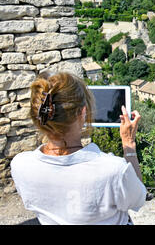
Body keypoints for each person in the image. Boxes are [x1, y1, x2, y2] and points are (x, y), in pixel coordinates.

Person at [10, 72, 147, 225]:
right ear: (82, 113)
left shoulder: (20, 165)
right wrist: (129, 144)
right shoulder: (114, 170)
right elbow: (138, 199)